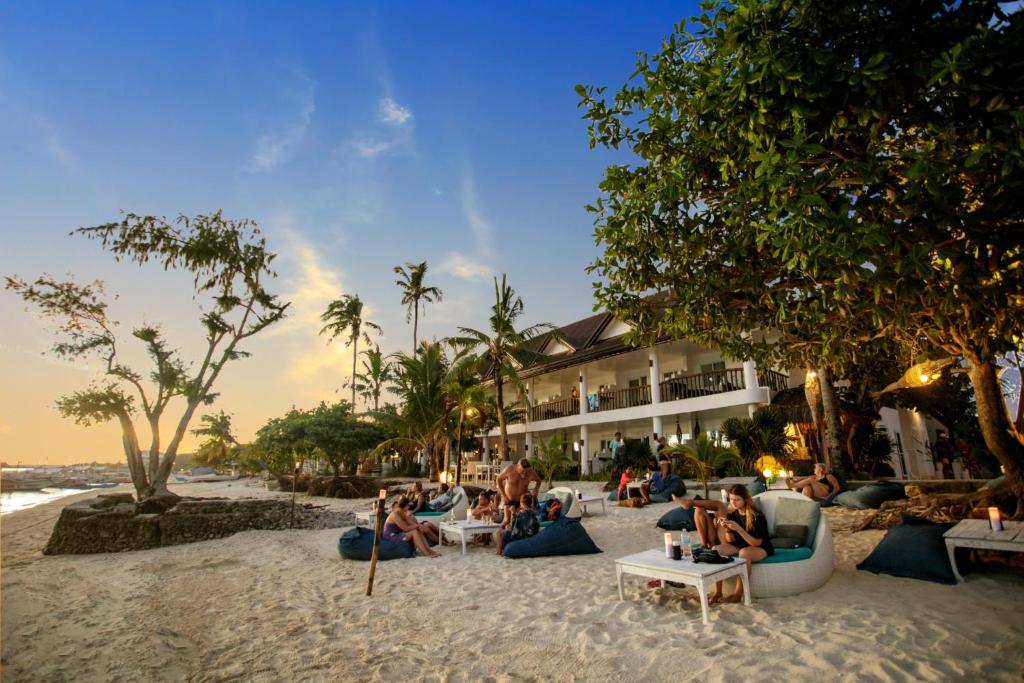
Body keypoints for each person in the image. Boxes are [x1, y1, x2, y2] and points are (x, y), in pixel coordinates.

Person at [675, 484, 772, 602]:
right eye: (731, 499)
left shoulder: (757, 516)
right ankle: (718, 592)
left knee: (744, 553)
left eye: (737, 500)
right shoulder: (733, 515)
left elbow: (756, 542)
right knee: (716, 549)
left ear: (745, 499)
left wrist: (739, 529)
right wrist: (727, 529)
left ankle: (737, 595)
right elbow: (731, 540)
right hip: (739, 545)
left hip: (760, 547)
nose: (734, 502)